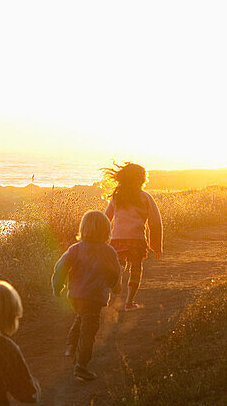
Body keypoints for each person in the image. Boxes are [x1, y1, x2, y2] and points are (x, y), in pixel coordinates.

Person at [51, 210, 121, 381]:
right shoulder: (108, 251)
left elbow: (60, 267)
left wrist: (57, 286)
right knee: (89, 331)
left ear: (83, 228)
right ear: (106, 231)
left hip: (75, 295)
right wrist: (116, 287)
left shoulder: (75, 249)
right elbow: (115, 273)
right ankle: (81, 367)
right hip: (94, 296)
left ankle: (71, 345)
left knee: (81, 317)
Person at [103, 162, 163, 311]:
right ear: (142, 179)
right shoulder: (145, 197)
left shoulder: (117, 198)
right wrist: (156, 246)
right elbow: (156, 222)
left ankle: (112, 285)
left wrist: (100, 240)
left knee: (119, 266)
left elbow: (105, 218)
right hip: (137, 240)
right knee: (136, 269)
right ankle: (129, 302)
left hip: (117, 239)